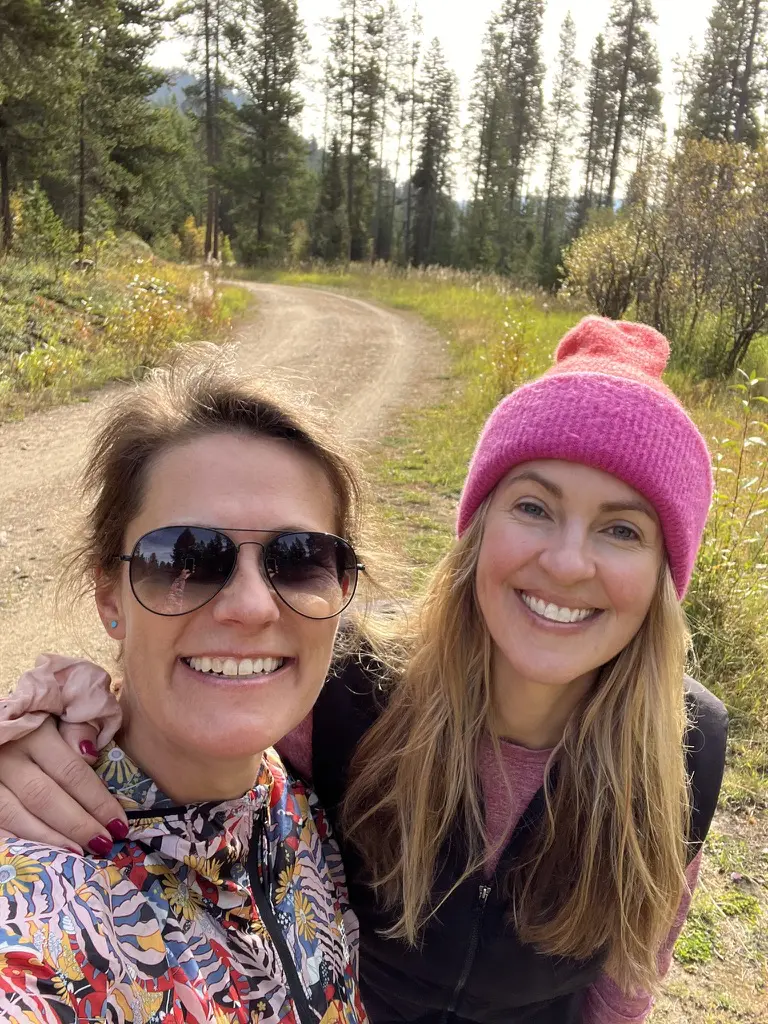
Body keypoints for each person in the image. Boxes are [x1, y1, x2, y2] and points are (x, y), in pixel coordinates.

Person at [0, 318, 728, 1024]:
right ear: (477, 533)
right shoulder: (349, 695)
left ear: (665, 577)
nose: (569, 562)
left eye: (623, 528)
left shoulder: (684, 752)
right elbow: (188, 702)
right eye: (534, 506)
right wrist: (57, 721)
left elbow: (634, 972)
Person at [0, 354, 370, 1023]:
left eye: (302, 560)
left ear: (341, 592)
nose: (253, 606)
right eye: (188, 560)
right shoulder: (39, 916)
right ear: (110, 596)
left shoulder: (299, 799)